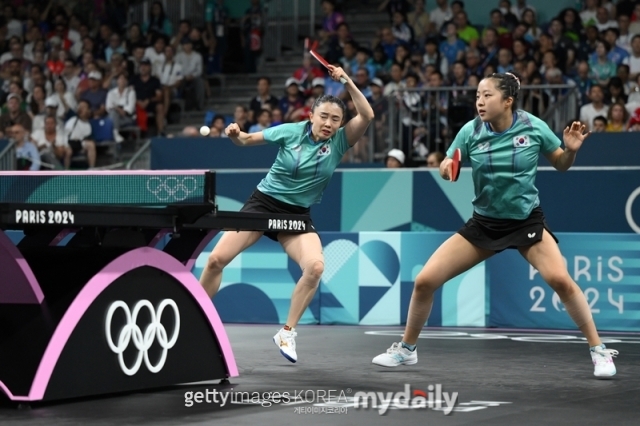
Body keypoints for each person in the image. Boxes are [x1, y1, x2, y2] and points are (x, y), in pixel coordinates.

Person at [371, 72, 619, 378]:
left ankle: (599, 350)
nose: (480, 101)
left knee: (560, 280)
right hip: (484, 224)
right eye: (477, 95)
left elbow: (561, 164)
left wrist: (570, 150)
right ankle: (407, 351)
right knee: (424, 281)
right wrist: (446, 169)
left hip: (525, 222)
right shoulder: (471, 131)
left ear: (508, 101)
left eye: (487, 95)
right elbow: (450, 165)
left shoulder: (533, 126)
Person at [199, 65, 374, 363]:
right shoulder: (289, 132)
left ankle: (287, 332)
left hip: (296, 215)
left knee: (315, 268)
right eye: (324, 116)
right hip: (262, 204)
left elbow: (367, 116)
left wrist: (345, 80)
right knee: (216, 259)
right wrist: (235, 133)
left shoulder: (340, 142)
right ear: (311, 115)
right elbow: (244, 141)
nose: (329, 123)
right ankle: (196, 313)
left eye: (336, 119)